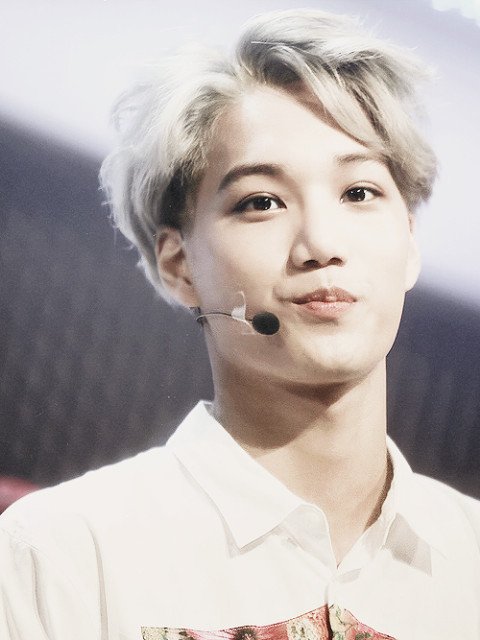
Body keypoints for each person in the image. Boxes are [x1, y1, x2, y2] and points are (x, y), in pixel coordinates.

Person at [1, 8, 479, 640]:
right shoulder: (59, 555)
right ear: (179, 264)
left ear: (410, 241)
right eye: (262, 202)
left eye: (359, 193)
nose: (321, 244)